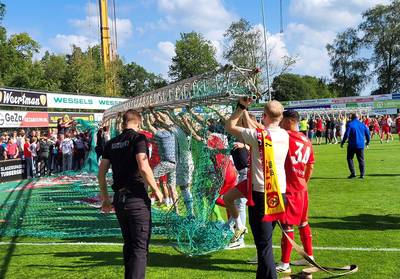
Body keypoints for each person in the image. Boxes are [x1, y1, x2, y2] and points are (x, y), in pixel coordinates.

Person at [225, 98, 289, 279]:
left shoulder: (258, 136)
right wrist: (246, 112)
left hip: (261, 195)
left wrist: (241, 107)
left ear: (265, 116)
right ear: (281, 116)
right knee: (265, 244)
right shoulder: (284, 135)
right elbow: (259, 128)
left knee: (264, 247)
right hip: (279, 193)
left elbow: (229, 126)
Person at [98, 109, 163, 279]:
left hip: (120, 199)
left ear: (123, 123)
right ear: (138, 123)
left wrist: (106, 199)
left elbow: (101, 173)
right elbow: (143, 166)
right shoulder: (138, 138)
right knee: (139, 249)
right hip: (136, 198)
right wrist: (156, 190)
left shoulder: (111, 143)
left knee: (129, 245)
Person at [277, 110, 315, 274]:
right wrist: (303, 181)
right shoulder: (307, 140)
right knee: (303, 222)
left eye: (282, 120)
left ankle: (285, 264)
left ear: (289, 120)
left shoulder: (286, 136)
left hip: (290, 187)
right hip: (301, 187)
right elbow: (310, 165)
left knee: (287, 224)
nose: (279, 123)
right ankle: (309, 257)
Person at [341, 113, 370, 179]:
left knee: (350, 158)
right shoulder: (362, 124)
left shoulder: (350, 124)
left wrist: (342, 142)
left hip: (351, 145)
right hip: (360, 145)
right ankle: (362, 174)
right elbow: (368, 135)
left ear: (352, 117)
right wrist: (368, 142)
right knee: (361, 160)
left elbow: (346, 134)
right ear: (358, 117)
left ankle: (353, 173)